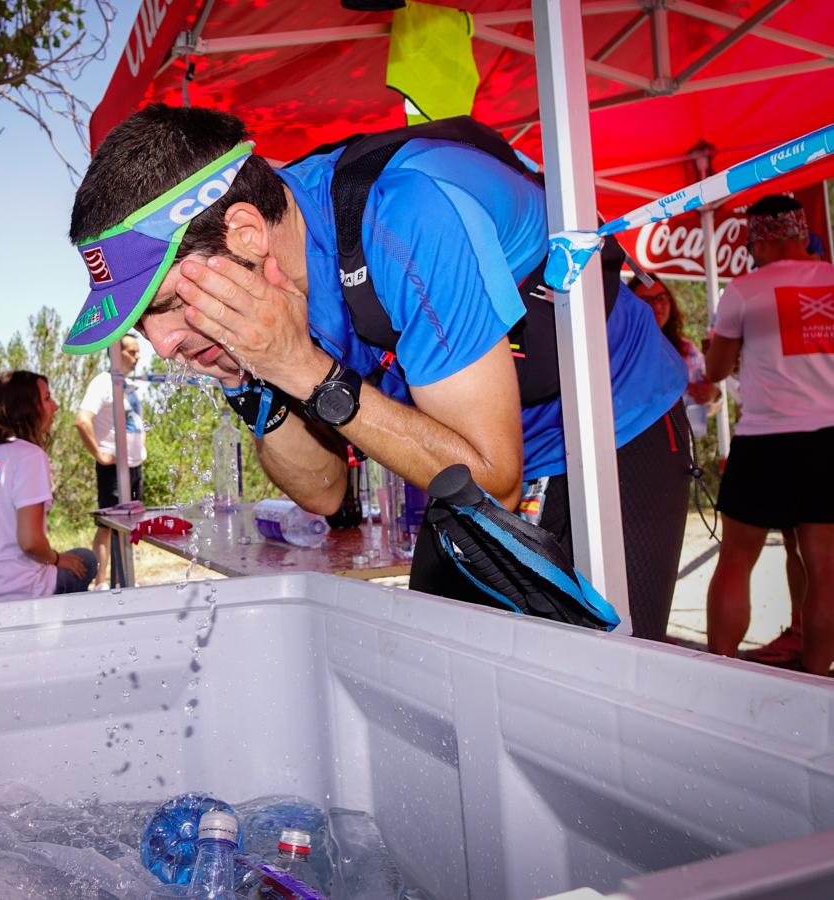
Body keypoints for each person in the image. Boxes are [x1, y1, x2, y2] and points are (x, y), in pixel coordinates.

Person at [64, 104, 690, 640]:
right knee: (442, 709)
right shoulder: (260, 287)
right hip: (459, 449)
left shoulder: (407, 213)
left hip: (613, 426)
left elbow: (491, 479)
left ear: (247, 234)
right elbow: (323, 491)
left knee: (600, 706)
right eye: (143, 324)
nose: (163, 342)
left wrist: (301, 367)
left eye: (168, 305)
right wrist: (242, 379)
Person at [704, 194, 834, 676]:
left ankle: (719, 672)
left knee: (737, 559)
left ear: (759, 237)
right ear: (800, 232)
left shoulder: (745, 290)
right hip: (829, 437)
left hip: (767, 437)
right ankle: (818, 682)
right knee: (825, 565)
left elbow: (716, 369)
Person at [0, 370, 97, 601]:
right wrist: (56, 558)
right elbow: (31, 542)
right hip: (16, 593)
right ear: (24, 408)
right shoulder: (28, 455)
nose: (55, 406)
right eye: (46, 398)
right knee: (86, 559)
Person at [75, 333, 147, 590]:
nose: (137, 356)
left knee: (129, 526)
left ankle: (124, 578)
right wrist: (99, 454)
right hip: (114, 468)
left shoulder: (130, 384)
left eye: (138, 351)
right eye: (131, 351)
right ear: (116, 353)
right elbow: (82, 420)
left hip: (135, 465)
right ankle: (102, 583)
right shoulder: (103, 382)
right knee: (109, 526)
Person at [630, 275, 721, 439]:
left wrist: (714, 396)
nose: (656, 305)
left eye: (661, 298)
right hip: (635, 443)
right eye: (646, 300)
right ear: (630, 307)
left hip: (680, 443)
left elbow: (710, 408)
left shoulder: (687, 349)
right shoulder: (623, 349)